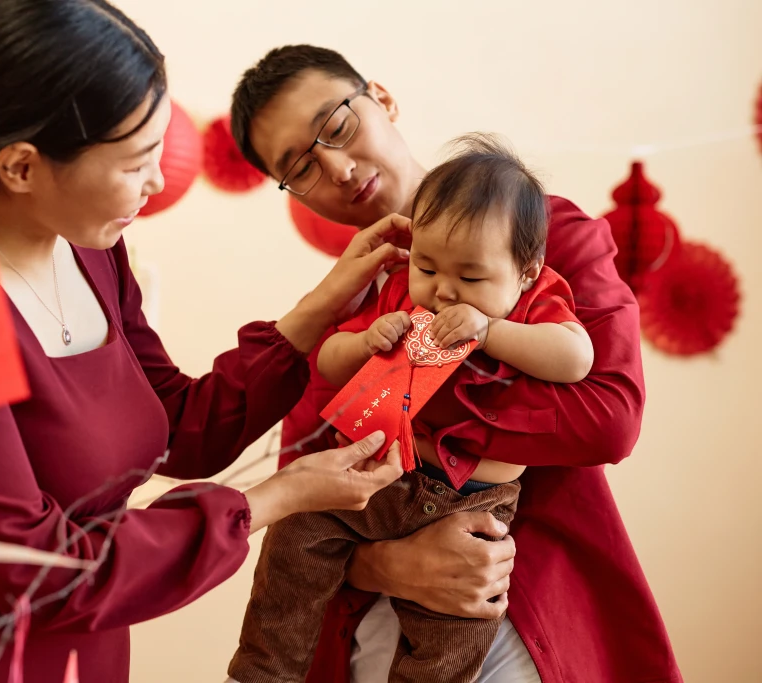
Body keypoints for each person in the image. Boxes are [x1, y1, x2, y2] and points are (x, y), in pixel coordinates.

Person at [0, 5, 413, 682]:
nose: (158, 183)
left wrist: (321, 305)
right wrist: (272, 497)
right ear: (22, 167)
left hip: (89, 644)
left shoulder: (88, 248)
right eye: (137, 162)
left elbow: (177, 426)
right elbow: (33, 567)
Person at [227, 45, 682, 683]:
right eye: (299, 166)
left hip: (521, 604)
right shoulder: (345, 304)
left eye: (336, 126)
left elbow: (607, 420)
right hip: (367, 627)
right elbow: (307, 482)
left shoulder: (548, 236)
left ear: (381, 98)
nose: (335, 166)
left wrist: (419, 417)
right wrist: (387, 563)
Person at [229, 138, 593, 683]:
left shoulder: (538, 297)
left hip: (472, 503)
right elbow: (327, 362)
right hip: (384, 479)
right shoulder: (401, 293)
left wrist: (491, 330)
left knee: (455, 625)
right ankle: (263, 671)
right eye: (427, 265)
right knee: (297, 534)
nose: (444, 291)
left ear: (525, 269)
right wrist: (367, 339)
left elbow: (576, 358)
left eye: (471, 278)